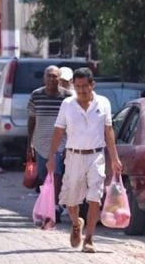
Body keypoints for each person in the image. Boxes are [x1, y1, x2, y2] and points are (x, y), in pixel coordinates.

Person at [47, 68, 122, 253]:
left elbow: (109, 131)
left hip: (96, 156)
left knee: (94, 197)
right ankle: (75, 224)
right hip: (73, 156)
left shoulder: (103, 103)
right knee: (71, 199)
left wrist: (115, 158)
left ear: (92, 85)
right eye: (77, 87)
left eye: (85, 87)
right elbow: (58, 131)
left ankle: (89, 238)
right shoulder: (67, 104)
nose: (81, 91)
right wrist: (51, 157)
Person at [27, 66, 73, 223]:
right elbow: (32, 120)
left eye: (55, 76)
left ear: (59, 79)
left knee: (57, 174)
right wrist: (29, 145)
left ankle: (55, 207)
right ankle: (45, 205)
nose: (52, 79)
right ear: (44, 78)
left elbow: (72, 123)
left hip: (61, 143)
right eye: (49, 76)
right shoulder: (36, 96)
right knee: (43, 176)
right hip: (40, 143)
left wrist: (69, 145)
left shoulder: (67, 97)